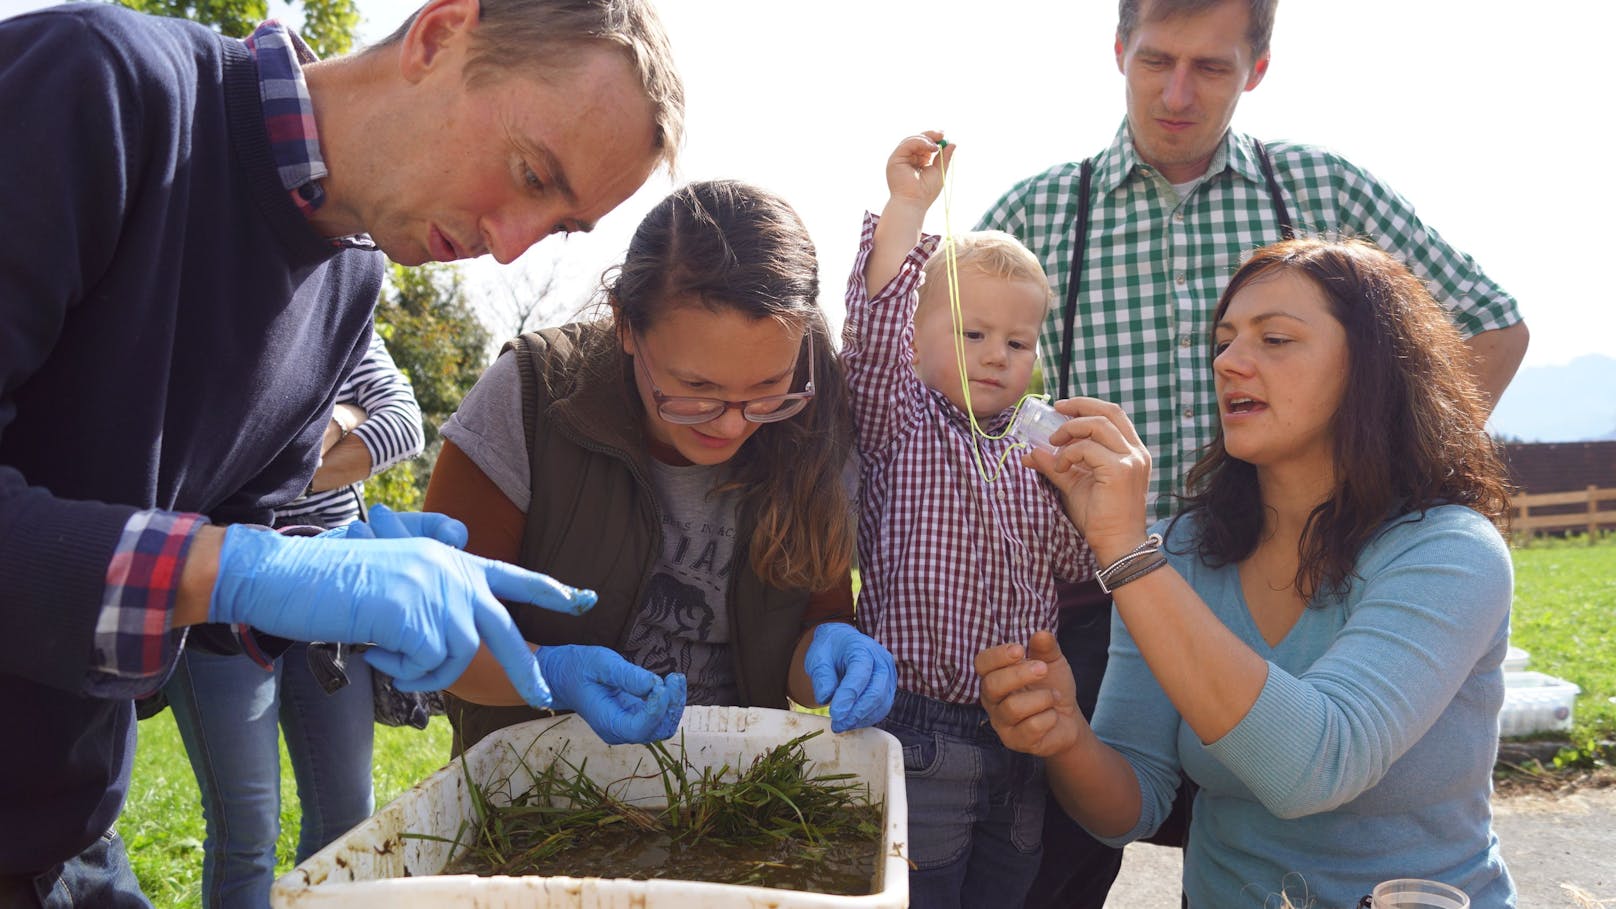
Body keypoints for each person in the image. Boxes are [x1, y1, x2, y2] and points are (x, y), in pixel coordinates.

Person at [0, 0, 684, 904]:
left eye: (557, 226)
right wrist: (245, 567)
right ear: (439, 36)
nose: (510, 248)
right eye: (529, 173)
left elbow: (212, 589)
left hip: (62, 836)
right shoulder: (105, 88)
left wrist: (497, 649)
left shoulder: (349, 282)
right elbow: (220, 565)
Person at [975, 1, 1528, 902]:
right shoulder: (1038, 210)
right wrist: (1071, 734)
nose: (1228, 359)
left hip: (1140, 561)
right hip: (1095, 594)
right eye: (1156, 61)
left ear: (1258, 68)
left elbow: (1492, 322)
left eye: (1276, 337)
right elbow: (1130, 798)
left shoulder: (1443, 552)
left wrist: (1390, 474)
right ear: (1118, 51)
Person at [423, 179, 899, 753]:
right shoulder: (530, 396)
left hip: (732, 783)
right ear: (626, 323)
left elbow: (804, 645)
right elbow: (440, 632)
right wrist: (550, 672)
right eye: (696, 388)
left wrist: (832, 649)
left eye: (768, 387)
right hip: (536, 783)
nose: (731, 425)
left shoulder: (813, 420)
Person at [842, 133, 1095, 908]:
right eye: (970, 333)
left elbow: (1080, 565)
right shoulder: (900, 421)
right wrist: (909, 206)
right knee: (922, 891)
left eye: (1016, 342)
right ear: (916, 346)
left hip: (1021, 732)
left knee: (1008, 886)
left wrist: (1087, 503)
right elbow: (873, 332)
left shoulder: (1040, 440)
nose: (995, 355)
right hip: (916, 726)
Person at [161, 332, 425, 908]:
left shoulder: (345, 298)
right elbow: (199, 454)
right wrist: (342, 417)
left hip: (330, 595)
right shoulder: (199, 297)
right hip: (218, 601)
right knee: (246, 833)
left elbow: (404, 423)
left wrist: (263, 477)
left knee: (348, 817)